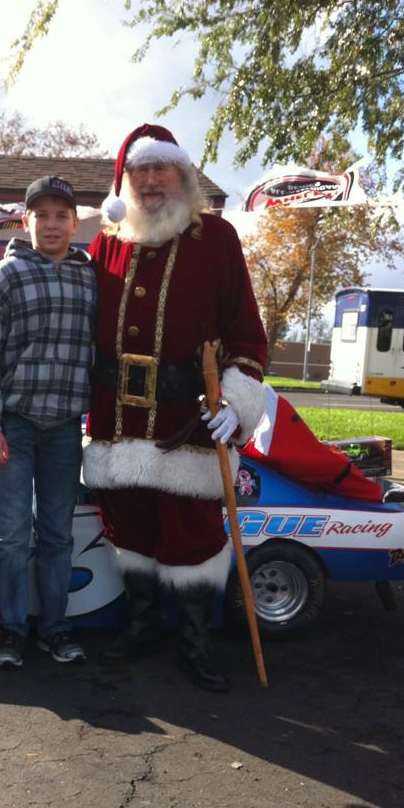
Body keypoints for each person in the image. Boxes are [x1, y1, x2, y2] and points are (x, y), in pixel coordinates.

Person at [86, 124, 268, 693]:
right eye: (139, 171)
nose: (150, 180)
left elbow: (247, 336)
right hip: (118, 420)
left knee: (191, 534)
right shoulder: (106, 244)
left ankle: (194, 645)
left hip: (185, 419)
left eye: (161, 168)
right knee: (129, 526)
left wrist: (238, 405)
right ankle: (142, 629)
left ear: (183, 175)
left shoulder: (216, 238)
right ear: (124, 183)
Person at [0, 175, 97, 669]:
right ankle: (12, 630)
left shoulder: (89, 278)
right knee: (13, 536)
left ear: (74, 221)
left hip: (65, 426)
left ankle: (56, 629)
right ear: (26, 221)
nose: (51, 224)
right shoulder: (5, 276)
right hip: (14, 426)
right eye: (41, 215)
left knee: (58, 535)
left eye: (61, 215)